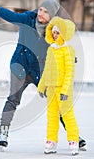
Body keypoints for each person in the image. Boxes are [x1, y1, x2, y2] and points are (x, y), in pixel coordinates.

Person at [0, 0, 86, 151]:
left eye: (46, 12)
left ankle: (74, 136)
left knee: (57, 102)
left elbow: (61, 47)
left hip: (40, 71)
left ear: (52, 16)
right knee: (13, 99)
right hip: (20, 66)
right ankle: (3, 133)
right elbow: (11, 16)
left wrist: (71, 58)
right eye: (41, 9)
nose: (41, 14)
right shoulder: (27, 19)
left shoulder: (53, 30)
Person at [37, 16, 80, 155]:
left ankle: (73, 141)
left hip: (63, 89)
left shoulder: (68, 50)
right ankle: (51, 141)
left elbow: (69, 72)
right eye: (53, 32)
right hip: (51, 89)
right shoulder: (51, 49)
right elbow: (46, 70)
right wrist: (41, 86)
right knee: (52, 116)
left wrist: (66, 90)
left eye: (58, 32)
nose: (55, 35)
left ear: (64, 33)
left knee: (67, 115)